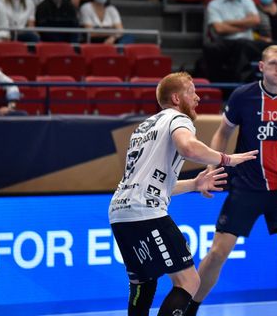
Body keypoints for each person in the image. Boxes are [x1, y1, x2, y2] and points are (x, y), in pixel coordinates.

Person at [186, 46, 277, 316]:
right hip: (246, 187)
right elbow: (221, 135)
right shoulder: (243, 96)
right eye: (273, 64)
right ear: (261, 67)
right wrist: (215, 165)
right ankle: (190, 308)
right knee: (217, 253)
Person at [108, 72, 257, 316]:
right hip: (146, 212)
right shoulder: (178, 118)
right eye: (192, 91)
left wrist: (195, 184)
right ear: (176, 98)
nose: (197, 97)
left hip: (120, 212)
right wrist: (226, 159)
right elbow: (188, 147)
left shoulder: (144, 127)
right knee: (189, 282)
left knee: (143, 282)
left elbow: (150, 183)